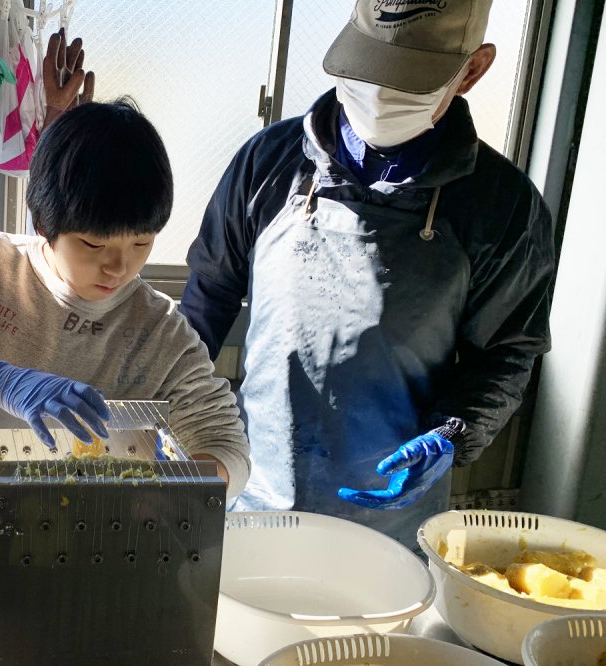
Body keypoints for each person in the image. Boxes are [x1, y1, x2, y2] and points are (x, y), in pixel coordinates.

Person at [180, 0, 555, 550]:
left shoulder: (501, 207)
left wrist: (453, 433)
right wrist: (170, 416)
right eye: (366, 68)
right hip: (252, 493)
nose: (378, 93)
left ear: (472, 70)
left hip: (389, 520)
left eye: (408, 81)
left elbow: (507, 353)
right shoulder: (270, 162)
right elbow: (206, 299)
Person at [0, 99, 250, 597]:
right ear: (45, 225)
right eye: (93, 245)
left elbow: (227, 445)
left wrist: (170, 491)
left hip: (37, 563)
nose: (119, 269)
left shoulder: (160, 333)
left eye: (141, 244)